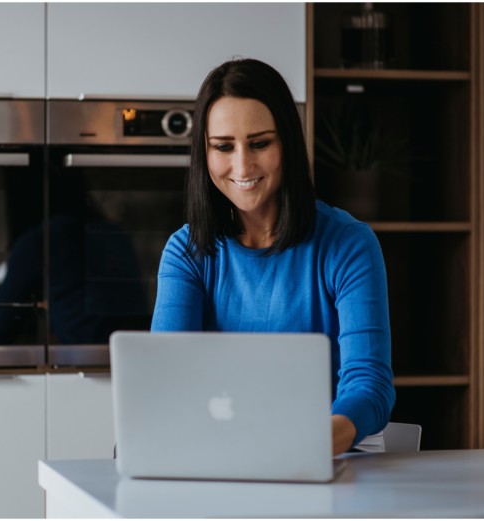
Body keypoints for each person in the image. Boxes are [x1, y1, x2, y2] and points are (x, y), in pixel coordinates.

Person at [151, 58, 395, 455]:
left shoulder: (348, 245)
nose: (242, 165)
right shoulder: (187, 252)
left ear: (288, 144)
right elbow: (166, 381)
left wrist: (316, 440)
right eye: (223, 147)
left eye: (260, 143)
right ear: (204, 153)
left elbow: (370, 385)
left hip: (324, 459)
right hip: (214, 456)